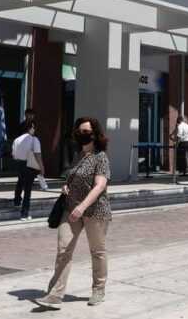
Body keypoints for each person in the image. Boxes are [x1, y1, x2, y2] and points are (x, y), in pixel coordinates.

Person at [38, 117, 112, 309]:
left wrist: (83, 207)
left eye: (85, 131)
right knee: (63, 249)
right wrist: (66, 186)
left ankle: (99, 289)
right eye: (79, 131)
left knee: (97, 251)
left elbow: (100, 186)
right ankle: (55, 294)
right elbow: (72, 177)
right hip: (70, 208)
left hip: (95, 210)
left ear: (95, 134)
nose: (81, 134)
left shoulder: (101, 157)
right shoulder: (79, 155)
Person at [12, 121, 44, 220]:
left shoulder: (17, 140)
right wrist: (41, 167)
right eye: (33, 127)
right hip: (29, 165)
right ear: (29, 128)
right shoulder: (34, 140)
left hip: (19, 164)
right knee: (28, 189)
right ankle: (24, 214)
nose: (34, 129)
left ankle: (17, 201)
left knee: (20, 181)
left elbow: (14, 155)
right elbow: (38, 155)